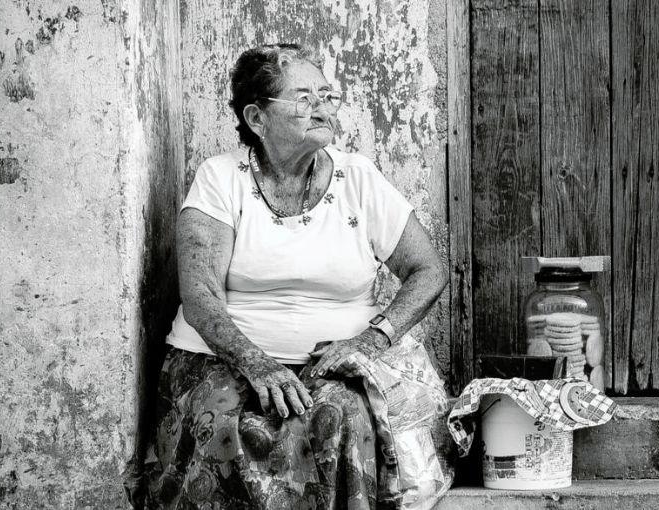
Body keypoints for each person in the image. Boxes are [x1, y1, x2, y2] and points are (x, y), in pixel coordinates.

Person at [130, 43, 449, 509]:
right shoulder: (221, 179)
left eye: (326, 95)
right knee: (221, 428)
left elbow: (428, 269)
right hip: (220, 358)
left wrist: (370, 342)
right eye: (303, 98)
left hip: (335, 364)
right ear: (257, 119)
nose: (321, 107)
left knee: (341, 417)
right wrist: (256, 363)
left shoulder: (358, 179)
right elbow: (198, 295)